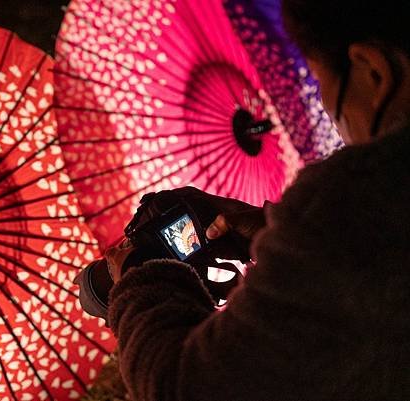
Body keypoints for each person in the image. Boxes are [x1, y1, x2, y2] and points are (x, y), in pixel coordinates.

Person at [104, 1, 410, 400]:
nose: (331, 115)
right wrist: (274, 233)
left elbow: (185, 388)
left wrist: (139, 279)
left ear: (373, 71)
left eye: (321, 83)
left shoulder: (362, 198)